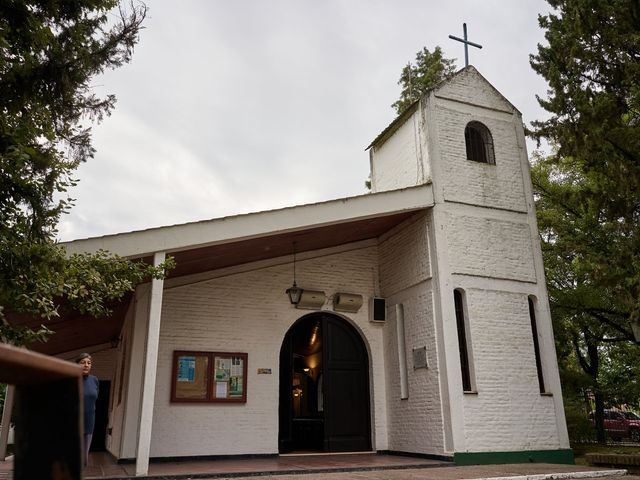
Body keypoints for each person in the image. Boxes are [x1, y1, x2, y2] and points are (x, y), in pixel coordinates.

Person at [76, 353, 99, 467]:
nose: (86, 365)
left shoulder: (94, 380)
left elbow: (94, 398)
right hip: (74, 422)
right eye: (83, 362)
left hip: (89, 421)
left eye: (89, 363)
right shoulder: (72, 379)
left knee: (84, 458)